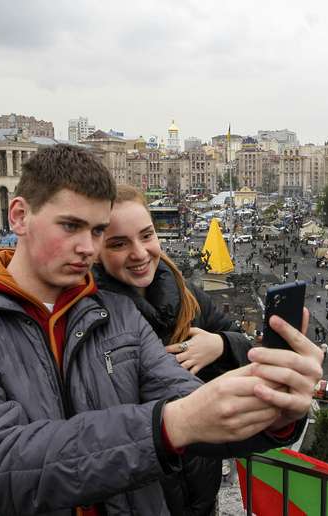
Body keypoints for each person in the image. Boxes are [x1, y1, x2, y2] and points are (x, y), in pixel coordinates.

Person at [0, 145, 323, 516]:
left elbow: (193, 406)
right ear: (20, 215)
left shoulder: (117, 314)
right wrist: (167, 426)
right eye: (71, 226)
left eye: (98, 231)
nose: (88, 247)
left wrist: (273, 407)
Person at [95, 186, 259, 514]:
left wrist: (221, 345)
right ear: (94, 250)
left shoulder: (187, 295)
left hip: (202, 489)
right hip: (142, 499)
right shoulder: (93, 316)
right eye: (118, 243)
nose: (140, 253)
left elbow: (248, 351)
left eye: (147, 235)